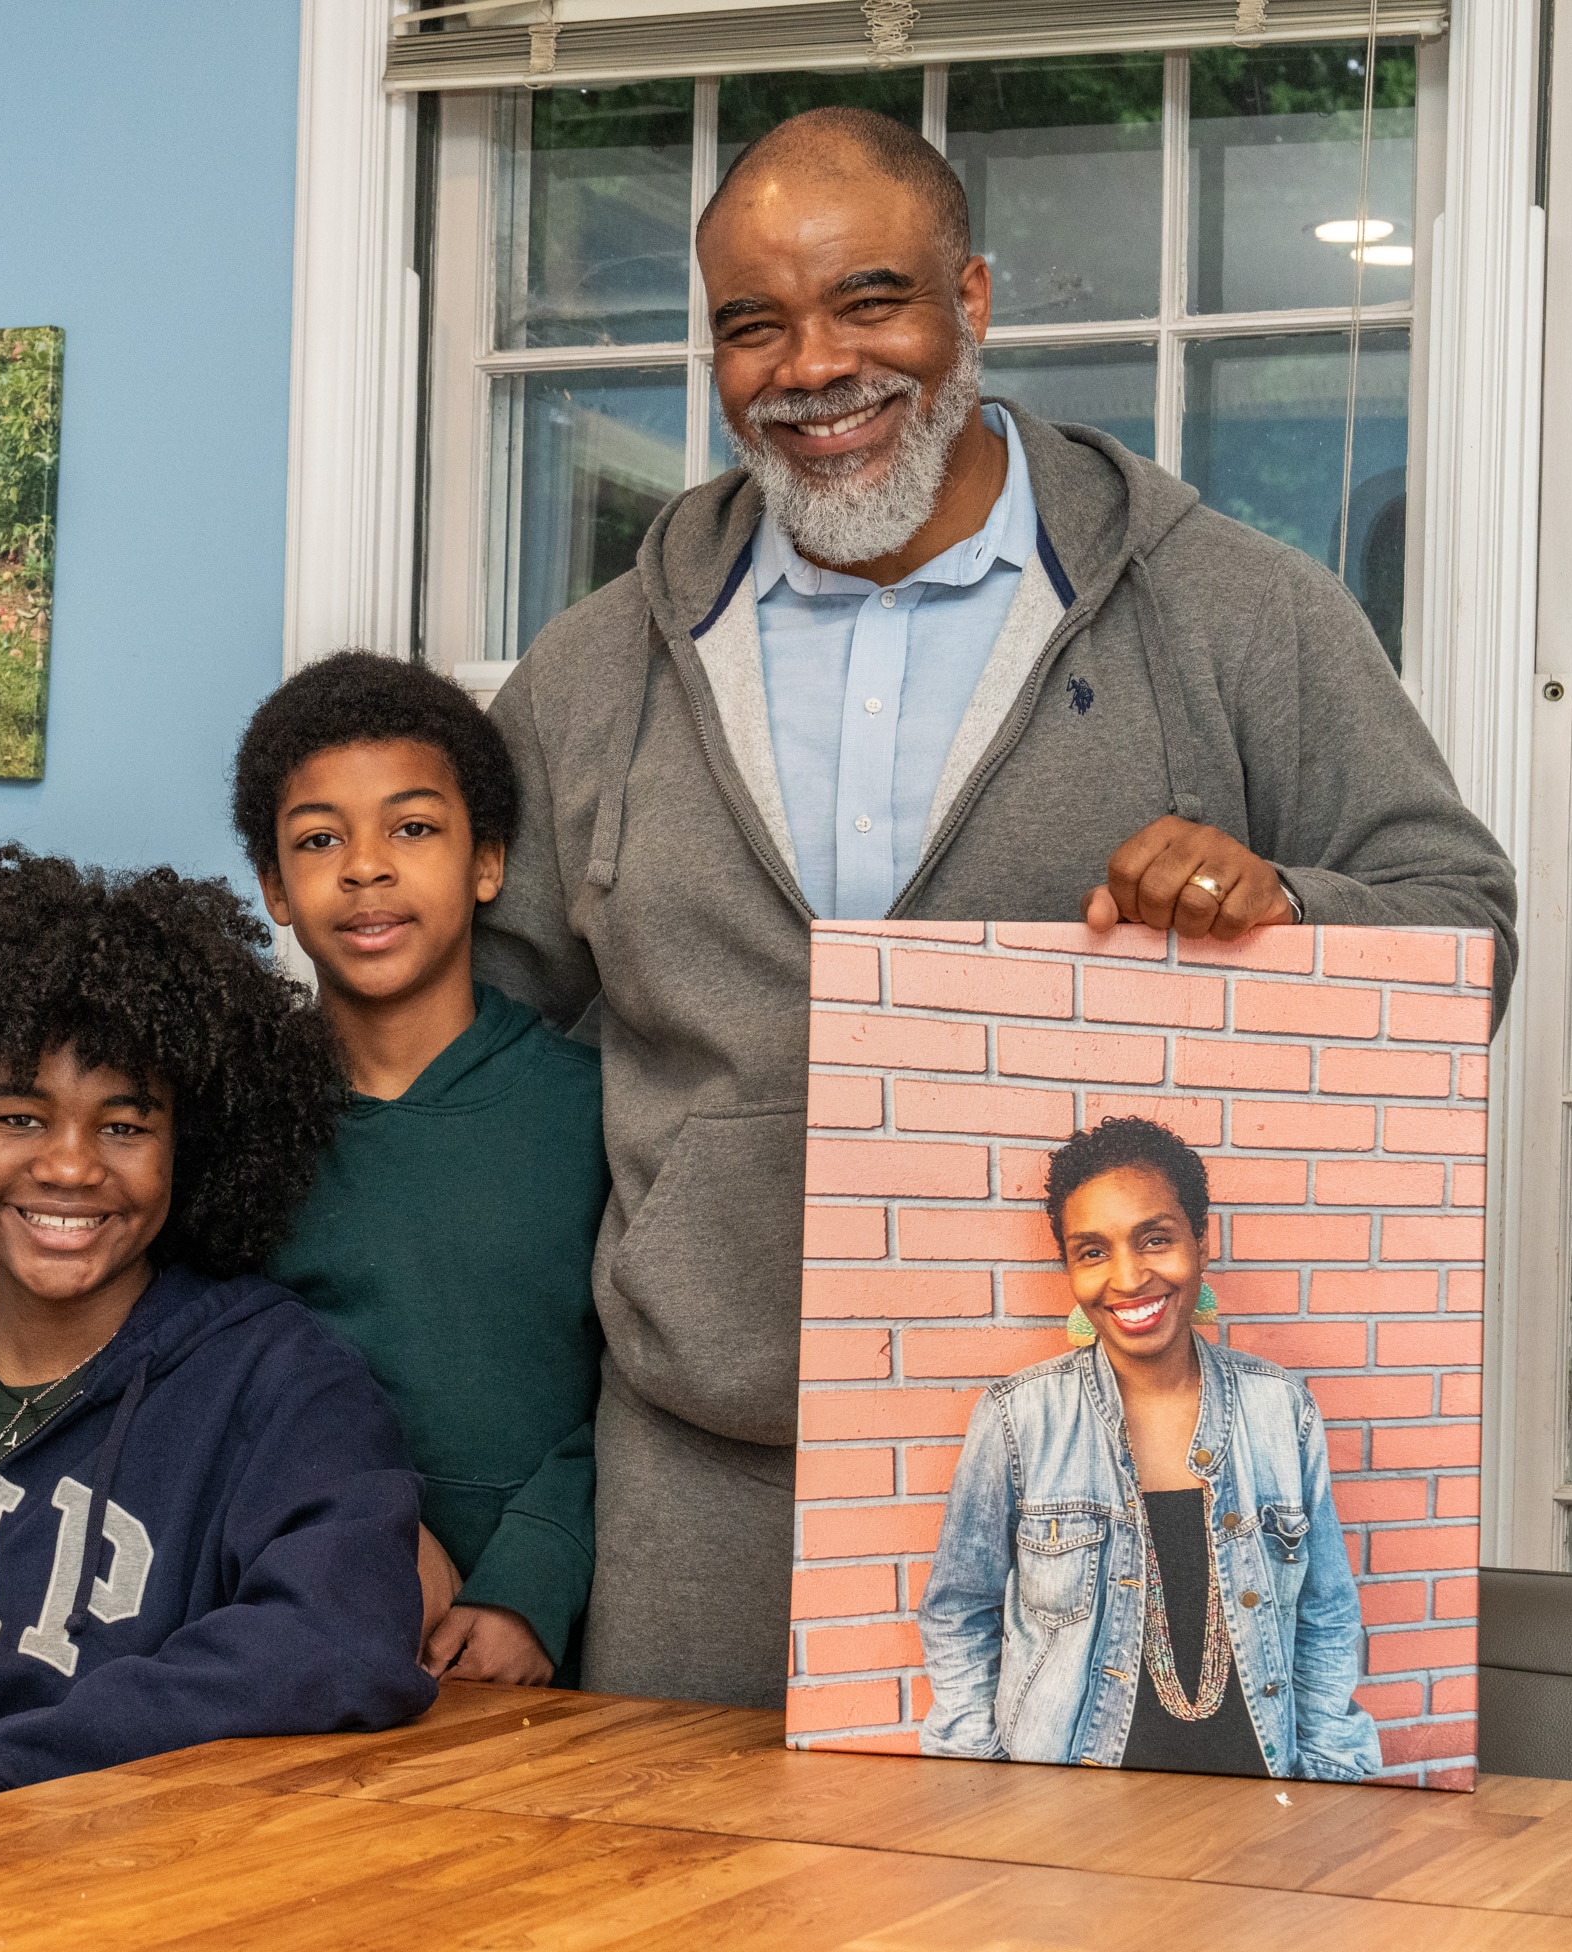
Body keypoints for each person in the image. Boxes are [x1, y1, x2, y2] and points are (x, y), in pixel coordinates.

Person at [472, 105, 1517, 1706]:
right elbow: (472, 1073)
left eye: (869, 301)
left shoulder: (1238, 612)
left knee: (1062, 1943)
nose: (810, 365)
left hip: (1081, 1471)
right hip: (696, 1492)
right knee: (686, 1942)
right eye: (752, 325)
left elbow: (1466, 931)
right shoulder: (595, 670)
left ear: (972, 297)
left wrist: (1283, 904)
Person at [0, 845, 435, 1815]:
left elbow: (336, 1638)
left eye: (125, 1126)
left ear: (194, 1148)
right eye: (19, 1114)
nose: (70, 1165)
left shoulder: (277, 1388)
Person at [238, 651, 605, 1688]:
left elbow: (645, 1385)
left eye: (412, 827)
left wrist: (532, 1577)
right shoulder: (240, 1125)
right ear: (274, 885)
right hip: (304, 1614)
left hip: (551, 1641)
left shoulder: (592, 1109)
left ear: (487, 862)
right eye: (319, 839)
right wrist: (368, 1522)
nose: (365, 867)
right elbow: (221, 1378)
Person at [918, 1119, 1379, 1783]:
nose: (1129, 1278)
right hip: (1069, 1821)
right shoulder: (1019, 1419)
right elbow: (958, 1612)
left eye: (1154, 1239)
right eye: (1092, 1252)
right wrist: (979, 1786)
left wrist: (1335, 1781)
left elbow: (1328, 1618)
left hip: (1259, 1801)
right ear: (1070, 1269)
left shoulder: (1281, 1412)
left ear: (1201, 1242)